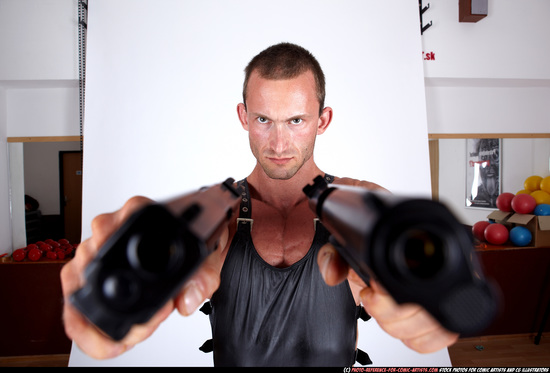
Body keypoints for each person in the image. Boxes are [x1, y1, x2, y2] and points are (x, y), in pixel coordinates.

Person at [60, 42, 458, 366]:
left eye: (296, 121)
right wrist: (112, 284)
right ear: (243, 116)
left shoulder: (361, 209)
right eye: (264, 120)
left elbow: (430, 302)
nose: (279, 144)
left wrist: (432, 306)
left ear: (323, 120)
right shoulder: (222, 216)